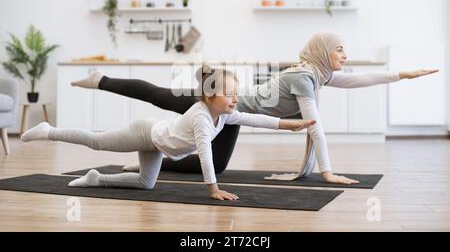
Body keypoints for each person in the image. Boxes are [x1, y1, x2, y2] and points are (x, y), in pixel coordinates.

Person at [70, 32, 438, 185]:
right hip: (217, 99)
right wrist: (327, 171)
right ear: (323, 51)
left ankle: (150, 160)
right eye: (340, 48)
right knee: (159, 94)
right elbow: (315, 125)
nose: (346, 55)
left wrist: (402, 75)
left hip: (231, 115)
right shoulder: (305, 77)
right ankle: (101, 79)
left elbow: (357, 80)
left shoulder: (317, 74)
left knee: (214, 166)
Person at [21, 67, 315, 201]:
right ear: (210, 95)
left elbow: (255, 119)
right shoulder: (202, 116)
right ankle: (49, 131)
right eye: (230, 94)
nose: (235, 99)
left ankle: (97, 179)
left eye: (237, 94)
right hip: (146, 133)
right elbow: (205, 155)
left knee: (144, 184)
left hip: (158, 144)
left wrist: (292, 124)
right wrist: (212, 189)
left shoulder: (223, 113)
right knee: (98, 142)